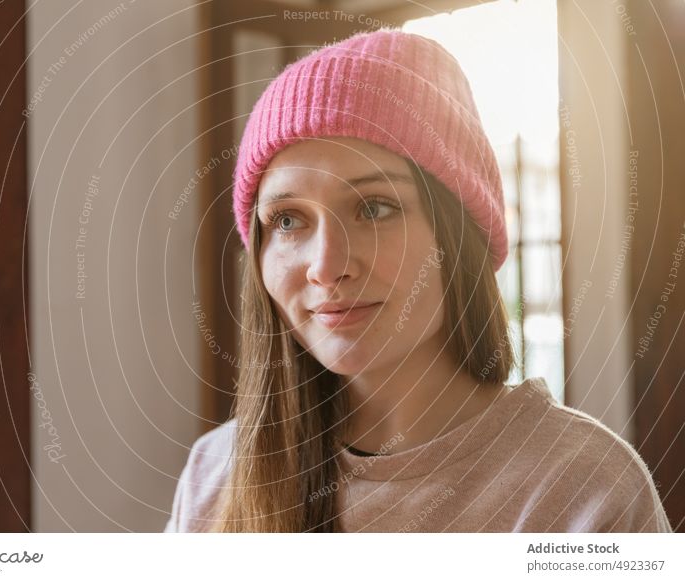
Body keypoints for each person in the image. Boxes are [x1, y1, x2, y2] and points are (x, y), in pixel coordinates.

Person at [164, 28, 672, 533]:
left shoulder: (583, 490)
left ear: (458, 235)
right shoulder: (215, 475)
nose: (325, 266)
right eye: (288, 221)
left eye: (375, 208)